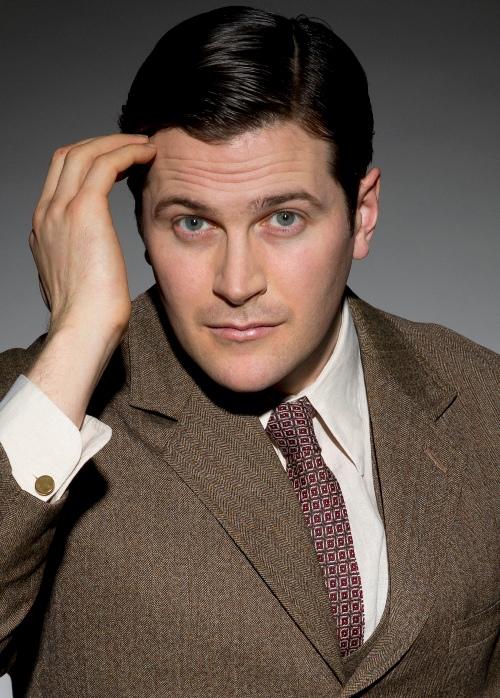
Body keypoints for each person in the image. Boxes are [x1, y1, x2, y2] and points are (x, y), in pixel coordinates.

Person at [0, 5, 498, 697]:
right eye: (192, 223)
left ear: (362, 215)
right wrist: (79, 337)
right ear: (138, 227)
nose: (237, 284)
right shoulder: (35, 419)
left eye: (283, 218)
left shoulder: (483, 399)